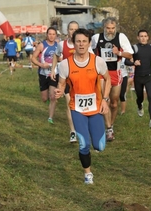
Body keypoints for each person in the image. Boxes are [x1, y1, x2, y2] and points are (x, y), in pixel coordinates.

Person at [55, 28, 111, 184]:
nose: (81, 44)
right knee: (83, 144)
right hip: (77, 108)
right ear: (74, 42)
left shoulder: (98, 61)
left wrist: (105, 99)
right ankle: (88, 174)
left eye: (84, 41)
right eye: (78, 41)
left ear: (89, 43)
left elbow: (108, 80)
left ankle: (95, 141)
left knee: (99, 146)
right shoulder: (65, 64)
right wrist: (59, 92)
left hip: (95, 108)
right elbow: (61, 84)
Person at [91, 17, 133, 141]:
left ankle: (111, 125)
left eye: (112, 28)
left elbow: (130, 54)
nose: (110, 31)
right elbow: (90, 52)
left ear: (116, 27)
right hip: (102, 73)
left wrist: (119, 53)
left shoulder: (121, 37)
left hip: (116, 72)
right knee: (106, 100)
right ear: (104, 27)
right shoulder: (96, 38)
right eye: (108, 28)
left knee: (114, 103)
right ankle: (108, 128)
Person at [50, 21, 80, 143]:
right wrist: (53, 69)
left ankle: (83, 127)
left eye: (75, 29)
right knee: (70, 105)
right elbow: (56, 56)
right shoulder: (62, 44)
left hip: (80, 79)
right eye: (71, 29)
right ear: (67, 31)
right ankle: (72, 131)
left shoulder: (83, 44)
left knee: (80, 106)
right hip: (67, 78)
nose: (73, 31)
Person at [31, 27, 58, 124]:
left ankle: (50, 117)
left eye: (53, 34)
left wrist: (60, 60)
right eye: (49, 34)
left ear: (56, 35)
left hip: (54, 74)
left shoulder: (58, 45)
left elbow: (62, 58)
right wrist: (42, 65)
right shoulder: (42, 45)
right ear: (47, 35)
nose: (51, 36)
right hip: (43, 73)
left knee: (53, 96)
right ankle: (48, 102)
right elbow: (33, 58)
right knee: (44, 98)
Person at [131, 29, 151, 128]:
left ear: (148, 37)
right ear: (138, 38)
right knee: (140, 98)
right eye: (141, 36)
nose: (143, 38)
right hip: (138, 78)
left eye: (145, 36)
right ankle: (139, 105)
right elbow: (126, 61)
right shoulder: (134, 48)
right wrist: (134, 63)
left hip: (148, 77)